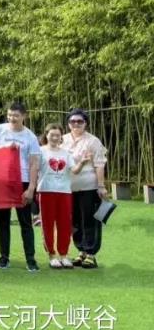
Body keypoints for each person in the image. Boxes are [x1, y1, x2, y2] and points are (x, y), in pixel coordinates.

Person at [0, 101, 41, 271]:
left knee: (26, 222)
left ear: (24, 116)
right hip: (1, 180)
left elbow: (34, 163)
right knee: (3, 221)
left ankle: (30, 259)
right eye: (9, 115)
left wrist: (31, 188)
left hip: (21, 181)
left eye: (16, 115)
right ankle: (4, 257)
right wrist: (5, 147)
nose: (12, 118)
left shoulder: (30, 136)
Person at [61, 108, 107, 269]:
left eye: (80, 121)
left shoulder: (93, 141)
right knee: (74, 221)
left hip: (89, 186)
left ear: (85, 123)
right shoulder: (63, 139)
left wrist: (101, 186)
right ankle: (80, 250)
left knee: (90, 220)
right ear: (68, 124)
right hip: (68, 187)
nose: (76, 124)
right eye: (73, 121)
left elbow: (99, 164)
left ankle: (91, 253)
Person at [38, 124, 83, 269]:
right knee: (48, 224)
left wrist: (82, 162)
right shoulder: (40, 151)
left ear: (61, 137)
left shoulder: (66, 153)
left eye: (58, 135)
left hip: (64, 192)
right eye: (52, 134)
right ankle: (52, 255)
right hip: (46, 191)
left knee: (64, 224)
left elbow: (74, 170)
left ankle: (64, 255)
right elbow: (33, 169)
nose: (55, 137)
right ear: (46, 135)